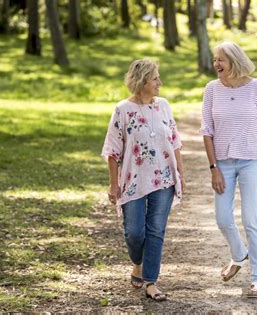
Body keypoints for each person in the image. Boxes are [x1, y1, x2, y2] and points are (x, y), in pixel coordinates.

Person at [200, 41, 257, 298]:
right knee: (222, 218)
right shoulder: (211, 90)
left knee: (251, 219)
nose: (216, 65)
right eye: (215, 60)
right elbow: (207, 132)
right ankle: (238, 254)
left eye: (220, 60)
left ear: (234, 61)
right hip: (223, 163)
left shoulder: (256, 88)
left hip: (250, 162)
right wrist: (213, 168)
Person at [102, 59, 184, 302]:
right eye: (155, 78)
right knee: (134, 233)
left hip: (164, 179)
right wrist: (113, 184)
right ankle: (137, 262)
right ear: (141, 81)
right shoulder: (122, 110)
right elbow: (112, 150)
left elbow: (175, 141)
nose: (160, 82)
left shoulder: (164, 106)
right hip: (133, 180)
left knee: (156, 230)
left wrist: (180, 173)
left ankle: (151, 281)